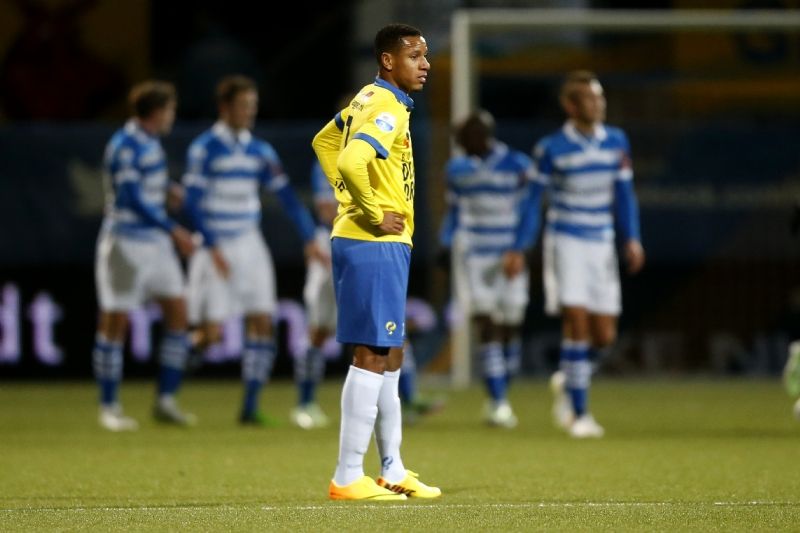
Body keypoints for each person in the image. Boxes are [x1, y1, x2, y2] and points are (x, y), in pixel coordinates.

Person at [311, 23, 441, 500]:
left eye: (425, 55)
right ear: (388, 61)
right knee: (371, 353)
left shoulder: (367, 97)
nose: (425, 64)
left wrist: (346, 197)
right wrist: (367, 208)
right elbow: (349, 161)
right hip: (373, 241)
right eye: (414, 56)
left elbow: (325, 142)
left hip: (376, 242)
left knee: (391, 350)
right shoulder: (386, 106)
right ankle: (348, 475)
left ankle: (392, 468)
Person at [182, 74, 323, 426]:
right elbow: (192, 202)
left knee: (262, 321)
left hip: (249, 242)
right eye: (244, 106)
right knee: (211, 335)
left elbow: (288, 198)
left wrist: (309, 237)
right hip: (214, 243)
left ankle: (249, 407)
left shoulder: (260, 151)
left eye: (253, 106)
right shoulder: (204, 148)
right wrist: (211, 245)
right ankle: (179, 360)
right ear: (225, 108)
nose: (250, 112)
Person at [529, 70, 645, 438]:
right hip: (566, 242)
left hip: (602, 243)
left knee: (604, 336)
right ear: (570, 105)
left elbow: (624, 195)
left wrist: (632, 238)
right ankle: (579, 414)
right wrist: (521, 245)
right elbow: (533, 201)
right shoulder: (551, 148)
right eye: (591, 99)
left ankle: (569, 378)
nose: (599, 104)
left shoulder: (616, 141)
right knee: (576, 323)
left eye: (600, 97)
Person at [291, 158, 445, 430]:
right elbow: (327, 210)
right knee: (319, 330)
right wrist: (372, 216)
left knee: (391, 325)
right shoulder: (334, 158)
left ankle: (407, 397)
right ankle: (305, 403)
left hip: (371, 246)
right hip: (336, 246)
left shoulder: (376, 155)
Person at [93, 80, 197, 431]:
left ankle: (166, 400)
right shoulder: (124, 144)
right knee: (115, 322)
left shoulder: (150, 142)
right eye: (170, 109)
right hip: (125, 242)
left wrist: (168, 189)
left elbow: (145, 185)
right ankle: (109, 407)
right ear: (156, 111)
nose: (172, 115)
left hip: (155, 244)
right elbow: (130, 196)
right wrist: (174, 229)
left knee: (178, 313)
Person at [438, 109, 538, 429]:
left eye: (464, 137)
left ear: (481, 136)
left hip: (508, 255)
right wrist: (445, 242)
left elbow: (530, 210)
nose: (460, 143)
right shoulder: (456, 170)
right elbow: (454, 211)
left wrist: (520, 249)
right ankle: (498, 402)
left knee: (510, 327)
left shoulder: (518, 165)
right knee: (487, 324)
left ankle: (501, 394)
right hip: (474, 256)